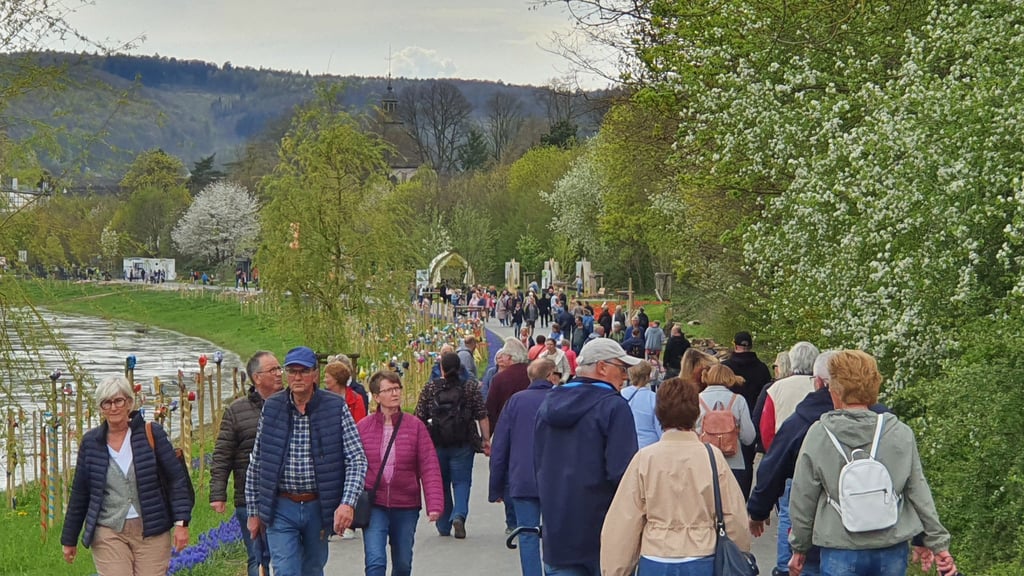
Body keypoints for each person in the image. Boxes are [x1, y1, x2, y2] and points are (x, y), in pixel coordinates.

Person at [787, 350, 958, 576]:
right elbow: (918, 491)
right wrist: (937, 542)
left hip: (840, 547)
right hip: (891, 547)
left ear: (836, 389)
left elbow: (803, 498)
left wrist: (799, 548)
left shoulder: (819, 435)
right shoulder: (898, 432)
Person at [600, 377, 751, 576]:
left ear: (659, 412)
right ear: (696, 412)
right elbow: (734, 513)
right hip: (703, 553)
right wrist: (740, 553)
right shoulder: (712, 456)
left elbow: (625, 520)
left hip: (656, 554)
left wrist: (615, 570)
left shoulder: (645, 458)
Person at [245, 346, 368, 576]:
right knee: (285, 570)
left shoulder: (335, 407)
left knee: (312, 568)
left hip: (318, 505)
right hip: (281, 505)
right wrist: (253, 511)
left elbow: (356, 459)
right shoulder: (272, 408)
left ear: (315, 374)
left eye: (304, 371)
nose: (297, 377)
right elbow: (258, 462)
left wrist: (347, 503)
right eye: (292, 371)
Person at [62, 375, 192, 575]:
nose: (113, 408)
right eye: (107, 403)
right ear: (100, 408)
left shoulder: (151, 433)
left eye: (119, 401)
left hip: (152, 529)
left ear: (129, 403)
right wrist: (69, 539)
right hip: (108, 529)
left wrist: (181, 523)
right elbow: (80, 492)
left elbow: (176, 479)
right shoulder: (91, 443)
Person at [534, 338, 640, 576]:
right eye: (622, 369)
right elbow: (622, 474)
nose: (625, 377)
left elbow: (539, 462)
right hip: (602, 532)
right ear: (602, 367)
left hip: (556, 527)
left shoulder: (548, 404)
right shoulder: (614, 407)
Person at [358, 371, 443, 576]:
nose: (395, 394)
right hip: (374, 504)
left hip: (406, 504)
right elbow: (352, 465)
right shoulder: (363, 427)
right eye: (389, 390)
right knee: (375, 562)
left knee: (403, 564)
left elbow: (429, 465)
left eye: (397, 389)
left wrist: (435, 504)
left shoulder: (415, 427)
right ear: (377, 397)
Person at [210, 351, 283, 576]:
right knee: (257, 556)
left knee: (284, 555)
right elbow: (223, 454)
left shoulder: (291, 405)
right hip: (249, 498)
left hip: (286, 496)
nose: (280, 374)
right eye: (273, 370)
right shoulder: (237, 411)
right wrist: (217, 493)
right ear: (257, 377)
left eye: (280, 369)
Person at [490, 358, 559, 576]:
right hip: (556, 480)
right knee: (555, 533)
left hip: (522, 478)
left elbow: (500, 446)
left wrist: (496, 486)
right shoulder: (561, 399)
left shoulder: (515, 402)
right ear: (550, 376)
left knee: (527, 534)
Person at [414, 352, 490, 539]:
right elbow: (482, 414)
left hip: (437, 443)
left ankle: (443, 523)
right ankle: (459, 515)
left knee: (441, 482)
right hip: (463, 442)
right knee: (462, 482)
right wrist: (485, 440)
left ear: (441, 368)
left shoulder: (431, 388)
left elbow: (419, 417)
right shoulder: (470, 387)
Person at [485, 338, 532, 533]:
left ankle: (512, 521)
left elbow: (491, 409)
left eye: (503, 354)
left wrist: (488, 438)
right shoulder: (532, 375)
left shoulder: (500, 379)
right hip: (532, 432)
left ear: (511, 358)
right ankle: (531, 517)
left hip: (507, 433)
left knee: (507, 476)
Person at [696, 364, 756, 493]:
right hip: (734, 464)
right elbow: (749, 438)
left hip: (704, 462)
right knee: (732, 508)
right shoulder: (738, 400)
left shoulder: (697, 400)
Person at [761, 341, 819, 452]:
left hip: (783, 448)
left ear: (792, 360)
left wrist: (773, 452)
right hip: (814, 449)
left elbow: (767, 428)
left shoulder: (777, 388)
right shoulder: (821, 386)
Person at [620, 360, 661, 449]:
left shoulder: (621, 394)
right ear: (648, 376)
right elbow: (659, 427)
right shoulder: (654, 398)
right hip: (649, 445)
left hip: (626, 443)